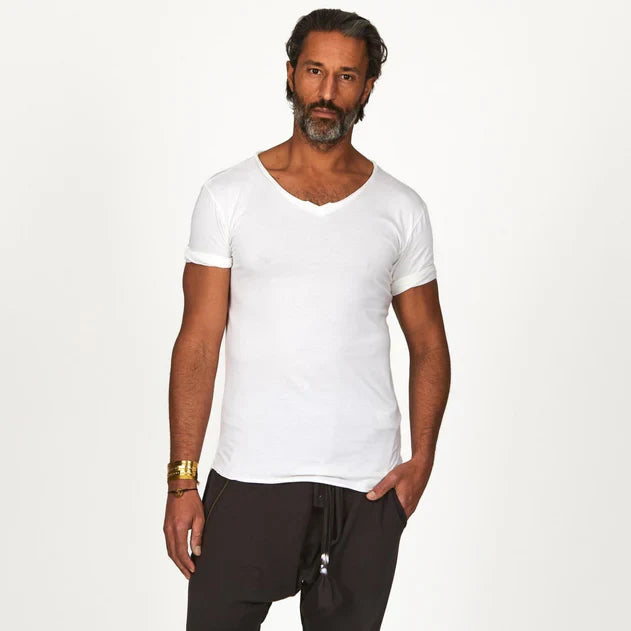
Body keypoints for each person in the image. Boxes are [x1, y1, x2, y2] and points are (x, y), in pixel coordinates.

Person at [164, 8, 451, 630]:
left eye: (346, 76)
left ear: (367, 88)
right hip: (251, 475)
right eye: (315, 71)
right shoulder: (228, 196)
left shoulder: (401, 208)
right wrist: (182, 481)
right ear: (291, 73)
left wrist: (422, 461)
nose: (327, 92)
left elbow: (429, 342)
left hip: (366, 487)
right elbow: (198, 343)